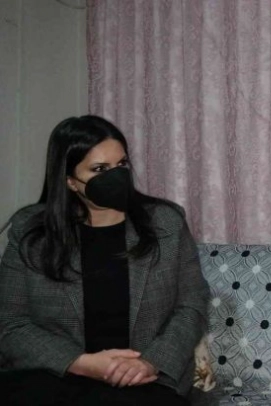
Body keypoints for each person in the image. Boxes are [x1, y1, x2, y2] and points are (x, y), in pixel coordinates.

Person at [0, 115, 210, 405]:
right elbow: (11, 324)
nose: (116, 177)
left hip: (145, 381)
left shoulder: (165, 223)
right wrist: (81, 363)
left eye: (121, 164)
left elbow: (192, 305)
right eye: (100, 169)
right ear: (70, 181)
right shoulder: (31, 233)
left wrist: (150, 363)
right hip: (56, 378)